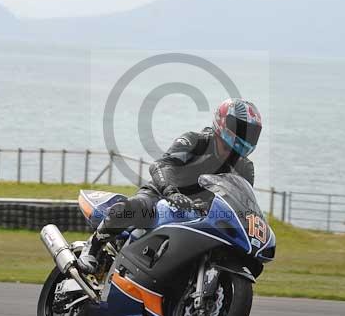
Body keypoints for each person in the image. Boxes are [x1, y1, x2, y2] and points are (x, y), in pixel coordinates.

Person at [78, 97, 262, 272]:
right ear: (223, 122)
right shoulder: (195, 141)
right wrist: (171, 192)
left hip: (202, 214)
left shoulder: (245, 168)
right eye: (241, 128)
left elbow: (242, 201)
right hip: (162, 196)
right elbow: (161, 165)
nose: (244, 135)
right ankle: (93, 246)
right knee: (135, 207)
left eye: (250, 132)